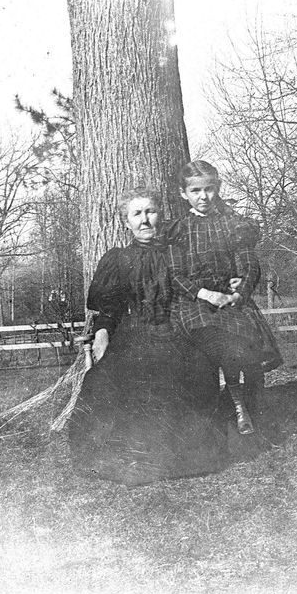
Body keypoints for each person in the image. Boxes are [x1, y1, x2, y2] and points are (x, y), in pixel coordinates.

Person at [67, 187, 231, 486]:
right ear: (126, 222)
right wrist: (102, 333)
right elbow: (109, 308)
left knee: (191, 373)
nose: (145, 220)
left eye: (150, 212)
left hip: (176, 332)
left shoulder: (178, 256)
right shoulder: (118, 260)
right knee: (110, 381)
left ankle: (181, 459)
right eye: (137, 214)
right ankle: (131, 459)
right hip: (134, 336)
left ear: (160, 216)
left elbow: (201, 290)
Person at [166, 160, 283, 437]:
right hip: (194, 302)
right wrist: (205, 294)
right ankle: (222, 408)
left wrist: (240, 290)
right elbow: (174, 275)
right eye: (195, 191)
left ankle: (251, 408)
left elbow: (249, 263)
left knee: (245, 347)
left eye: (209, 189)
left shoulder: (232, 225)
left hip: (231, 301)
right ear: (184, 194)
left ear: (217, 189)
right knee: (212, 344)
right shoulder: (178, 230)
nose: (203, 197)